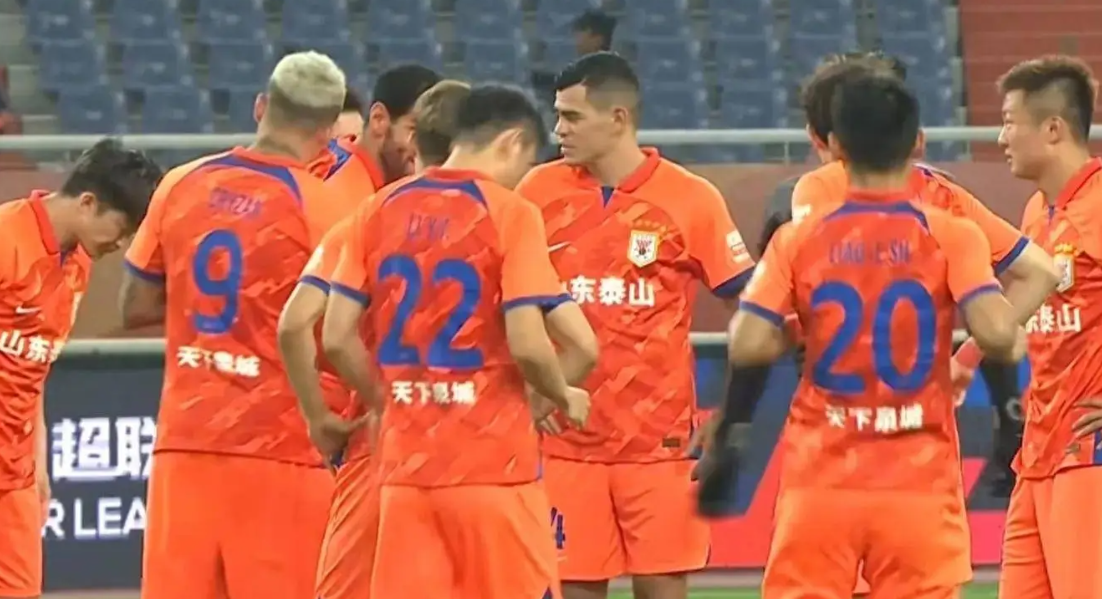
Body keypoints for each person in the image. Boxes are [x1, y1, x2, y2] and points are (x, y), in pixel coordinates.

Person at [698, 70, 1025, 599]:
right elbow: (999, 333)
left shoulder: (797, 237)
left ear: (836, 145)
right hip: (919, 487)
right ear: (916, 142)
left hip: (822, 482)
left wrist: (732, 432)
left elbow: (749, 341)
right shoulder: (952, 233)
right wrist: (1007, 414)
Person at [320, 83, 595, 599]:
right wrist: (560, 394)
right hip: (494, 471)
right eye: (525, 162)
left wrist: (386, 400)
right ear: (512, 143)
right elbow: (530, 342)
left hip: (406, 475)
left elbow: (336, 336)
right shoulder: (509, 212)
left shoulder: (378, 209)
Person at [515, 52, 755, 599]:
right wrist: (532, 385)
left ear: (618, 118)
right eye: (557, 115)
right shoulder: (536, 193)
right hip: (564, 443)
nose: (558, 129)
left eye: (572, 117)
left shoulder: (691, 199)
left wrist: (731, 413)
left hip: (659, 448)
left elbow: (755, 310)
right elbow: (505, 302)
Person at [118, 51, 353, 599]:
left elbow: (134, 304)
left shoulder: (181, 182)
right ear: (327, 133)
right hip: (285, 451)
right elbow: (343, 332)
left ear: (261, 106)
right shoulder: (326, 209)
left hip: (186, 444)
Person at [790, 53, 1058, 497]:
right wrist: (966, 360)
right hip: (924, 448)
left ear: (825, 138)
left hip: (839, 444)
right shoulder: (945, 198)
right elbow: (1042, 271)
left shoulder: (818, 188)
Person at [278, 78, 473, 599]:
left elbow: (297, 324)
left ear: (413, 143)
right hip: (478, 453)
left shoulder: (369, 215)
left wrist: (343, 411)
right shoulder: (504, 217)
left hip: (383, 442)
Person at [0, 138, 161, 599]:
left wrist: (38, 460)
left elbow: (33, 365)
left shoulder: (79, 264)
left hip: (15, 476)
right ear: (88, 202)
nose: (123, 244)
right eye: (123, 228)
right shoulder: (6, 239)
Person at [994, 55, 1102, 599]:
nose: (1001, 138)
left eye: (1010, 122)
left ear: (1053, 128)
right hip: (1038, 453)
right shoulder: (1037, 211)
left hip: (1090, 452)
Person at [311, 64, 442, 191]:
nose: (426, 147)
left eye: (433, 136)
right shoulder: (331, 179)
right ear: (379, 119)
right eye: (415, 130)